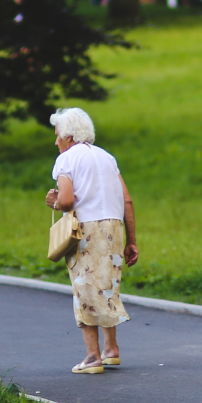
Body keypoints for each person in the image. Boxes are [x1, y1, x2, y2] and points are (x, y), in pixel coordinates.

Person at [45, 108, 139, 374]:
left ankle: (92, 357)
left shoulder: (66, 159)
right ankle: (111, 351)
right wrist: (131, 241)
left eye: (57, 136)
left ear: (69, 136)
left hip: (86, 230)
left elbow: (65, 200)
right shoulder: (107, 157)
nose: (56, 142)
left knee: (84, 289)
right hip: (113, 227)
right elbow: (127, 201)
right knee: (106, 287)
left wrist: (53, 201)